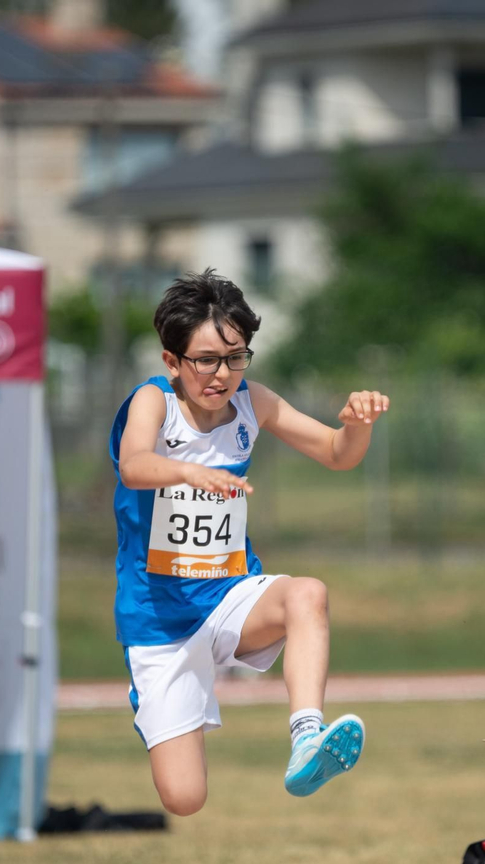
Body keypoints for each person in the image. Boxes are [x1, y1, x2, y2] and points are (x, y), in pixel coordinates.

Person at [112, 268, 389, 815]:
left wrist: (358, 424)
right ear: (172, 361)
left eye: (236, 357)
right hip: (159, 617)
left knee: (307, 593)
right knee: (185, 798)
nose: (223, 374)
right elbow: (133, 466)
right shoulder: (153, 402)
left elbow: (337, 453)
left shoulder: (252, 402)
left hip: (229, 593)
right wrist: (189, 473)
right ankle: (157, 703)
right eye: (207, 360)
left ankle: (307, 736)